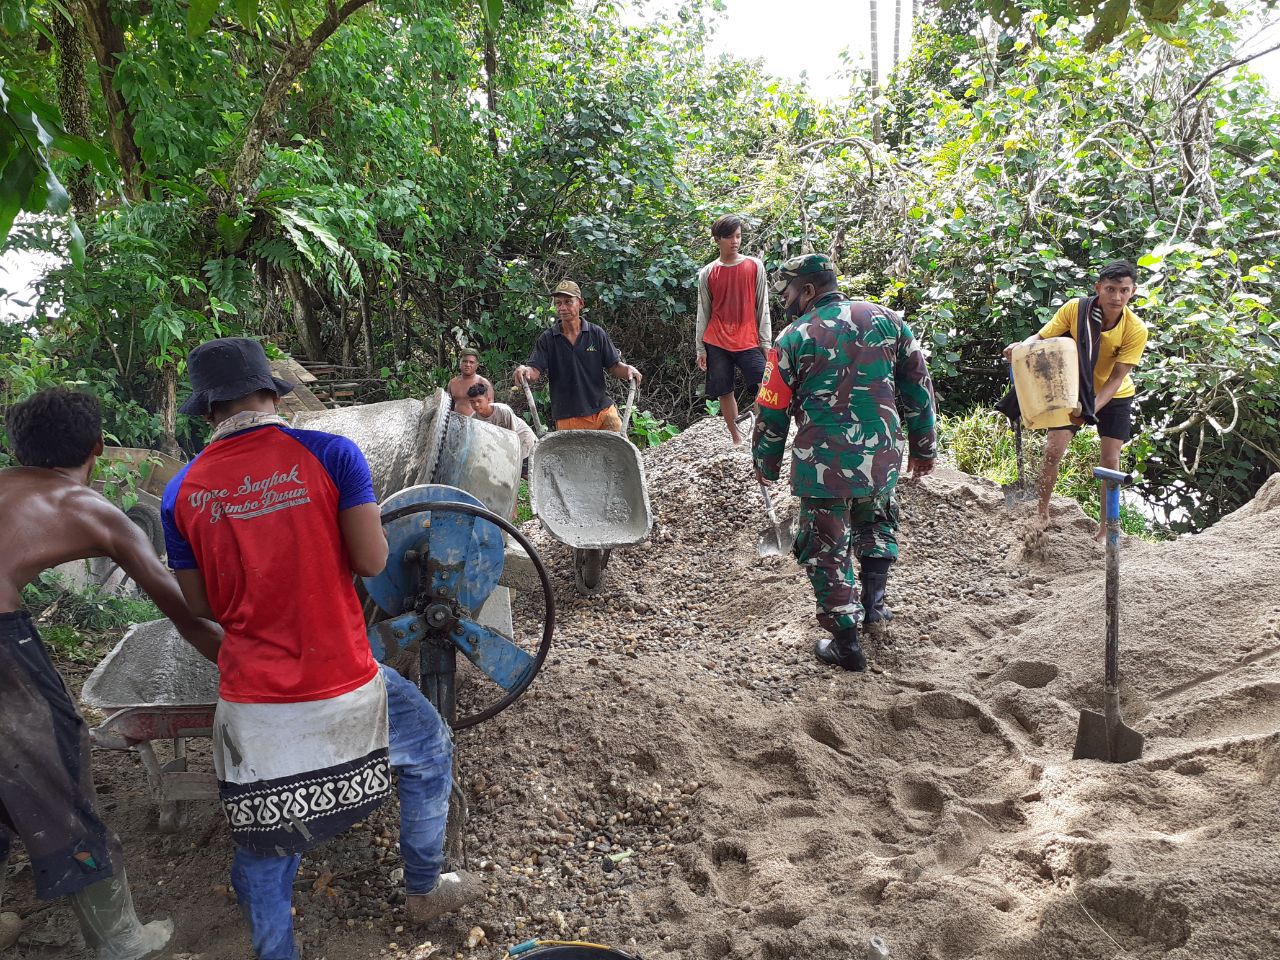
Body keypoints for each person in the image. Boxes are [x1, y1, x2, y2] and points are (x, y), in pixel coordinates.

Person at [160, 338, 481, 960]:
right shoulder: (331, 453)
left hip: (254, 701)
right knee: (431, 746)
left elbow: (199, 605)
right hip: (345, 680)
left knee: (263, 845)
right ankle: (422, 888)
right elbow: (372, 560)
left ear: (206, 411)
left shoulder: (182, 492)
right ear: (274, 392)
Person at [0, 388, 223, 959]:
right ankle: (120, 940)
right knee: (51, 767)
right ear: (98, 447)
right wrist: (255, 667)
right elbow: (184, 613)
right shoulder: (87, 507)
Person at [752, 255, 937, 672]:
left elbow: (772, 411)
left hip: (823, 466)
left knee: (826, 549)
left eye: (789, 293)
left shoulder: (792, 338)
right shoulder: (889, 321)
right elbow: (919, 389)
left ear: (810, 290)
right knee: (876, 525)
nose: (787, 302)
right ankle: (874, 610)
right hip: (881, 459)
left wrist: (766, 461)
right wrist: (924, 448)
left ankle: (847, 644)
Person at [1002, 261, 1148, 539]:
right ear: (1098, 288)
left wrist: (1090, 409)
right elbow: (1042, 337)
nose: (1117, 297)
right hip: (1071, 387)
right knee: (1053, 449)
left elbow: (1116, 379)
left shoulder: (1135, 329)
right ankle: (1042, 512)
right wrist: (1021, 348)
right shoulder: (1076, 309)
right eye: (1110, 289)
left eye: (1124, 290)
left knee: (1110, 461)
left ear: (1133, 291)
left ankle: (1106, 528)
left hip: (1114, 395)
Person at [513, 280, 642, 432]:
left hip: (602, 412)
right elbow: (534, 371)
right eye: (558, 303)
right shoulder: (548, 339)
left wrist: (628, 369)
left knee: (621, 449)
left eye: (568, 302)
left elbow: (614, 366)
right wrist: (524, 371)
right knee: (577, 456)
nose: (562, 307)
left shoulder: (596, 333)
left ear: (580, 303)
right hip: (568, 417)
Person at [695, 214, 772, 445]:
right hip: (716, 339)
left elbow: (763, 305)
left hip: (748, 338)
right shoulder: (708, 272)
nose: (735, 241)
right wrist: (700, 347)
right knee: (723, 390)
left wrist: (766, 342)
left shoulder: (754, 266)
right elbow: (703, 310)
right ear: (717, 239)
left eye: (738, 236)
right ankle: (736, 438)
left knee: (763, 384)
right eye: (729, 237)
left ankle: (759, 435)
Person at [466, 382, 537, 477]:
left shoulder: (503, 411)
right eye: (472, 402)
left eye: (479, 401)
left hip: (523, 441)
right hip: (504, 445)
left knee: (529, 474)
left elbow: (513, 436)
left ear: (488, 399)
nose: (476, 405)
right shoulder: (473, 419)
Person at [447, 348, 493, 416]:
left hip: (476, 423)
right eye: (465, 361)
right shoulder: (452, 383)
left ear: (477, 365)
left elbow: (490, 408)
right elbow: (448, 407)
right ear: (460, 363)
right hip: (454, 423)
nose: (468, 365)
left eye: (471, 362)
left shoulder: (483, 382)